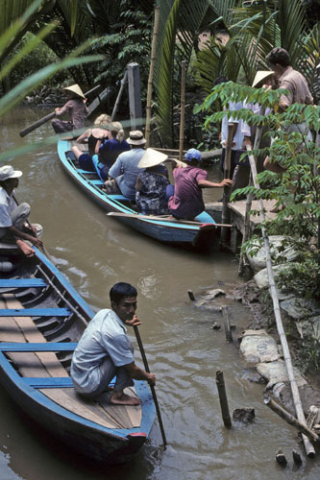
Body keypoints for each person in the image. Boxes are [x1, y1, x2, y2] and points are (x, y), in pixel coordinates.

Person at [71, 282, 156, 405]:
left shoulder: (104, 313)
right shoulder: (116, 334)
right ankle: (118, 395)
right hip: (88, 387)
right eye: (126, 306)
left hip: (79, 378)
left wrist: (127, 322)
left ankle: (102, 384)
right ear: (114, 305)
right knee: (126, 349)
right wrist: (148, 377)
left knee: (123, 349)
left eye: (134, 305)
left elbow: (110, 328)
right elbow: (132, 371)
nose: (132, 310)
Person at [263, 47, 314, 173]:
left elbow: (284, 106)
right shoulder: (298, 75)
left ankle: (289, 180)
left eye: (271, 67)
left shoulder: (287, 81)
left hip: (290, 130)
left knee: (268, 164)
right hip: (304, 128)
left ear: (278, 66)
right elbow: (310, 101)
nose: (271, 70)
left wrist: (269, 97)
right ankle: (293, 184)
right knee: (297, 166)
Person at [168, 148, 233, 220]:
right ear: (199, 162)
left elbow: (173, 162)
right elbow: (201, 182)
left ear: (186, 160)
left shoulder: (177, 171)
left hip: (177, 210)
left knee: (170, 188)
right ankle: (189, 216)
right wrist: (219, 184)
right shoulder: (200, 172)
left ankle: (174, 215)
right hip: (195, 211)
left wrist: (178, 166)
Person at [0, 165, 43, 258]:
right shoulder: (1, 202)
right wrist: (28, 238)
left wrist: (26, 225)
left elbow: (15, 215)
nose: (17, 180)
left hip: (9, 226)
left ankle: (21, 244)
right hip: (2, 231)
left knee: (38, 228)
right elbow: (8, 227)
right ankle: (20, 244)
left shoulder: (11, 192)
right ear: (7, 183)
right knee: (25, 207)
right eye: (14, 179)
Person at [103, 130, 146, 200]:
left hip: (129, 193)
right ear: (143, 143)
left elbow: (111, 174)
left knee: (114, 180)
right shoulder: (149, 155)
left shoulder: (123, 156)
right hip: (145, 193)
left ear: (130, 144)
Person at [135, 149, 170, 215]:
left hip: (147, 209)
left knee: (137, 193)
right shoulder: (164, 173)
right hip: (163, 207)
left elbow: (137, 189)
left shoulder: (141, 176)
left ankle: (140, 210)